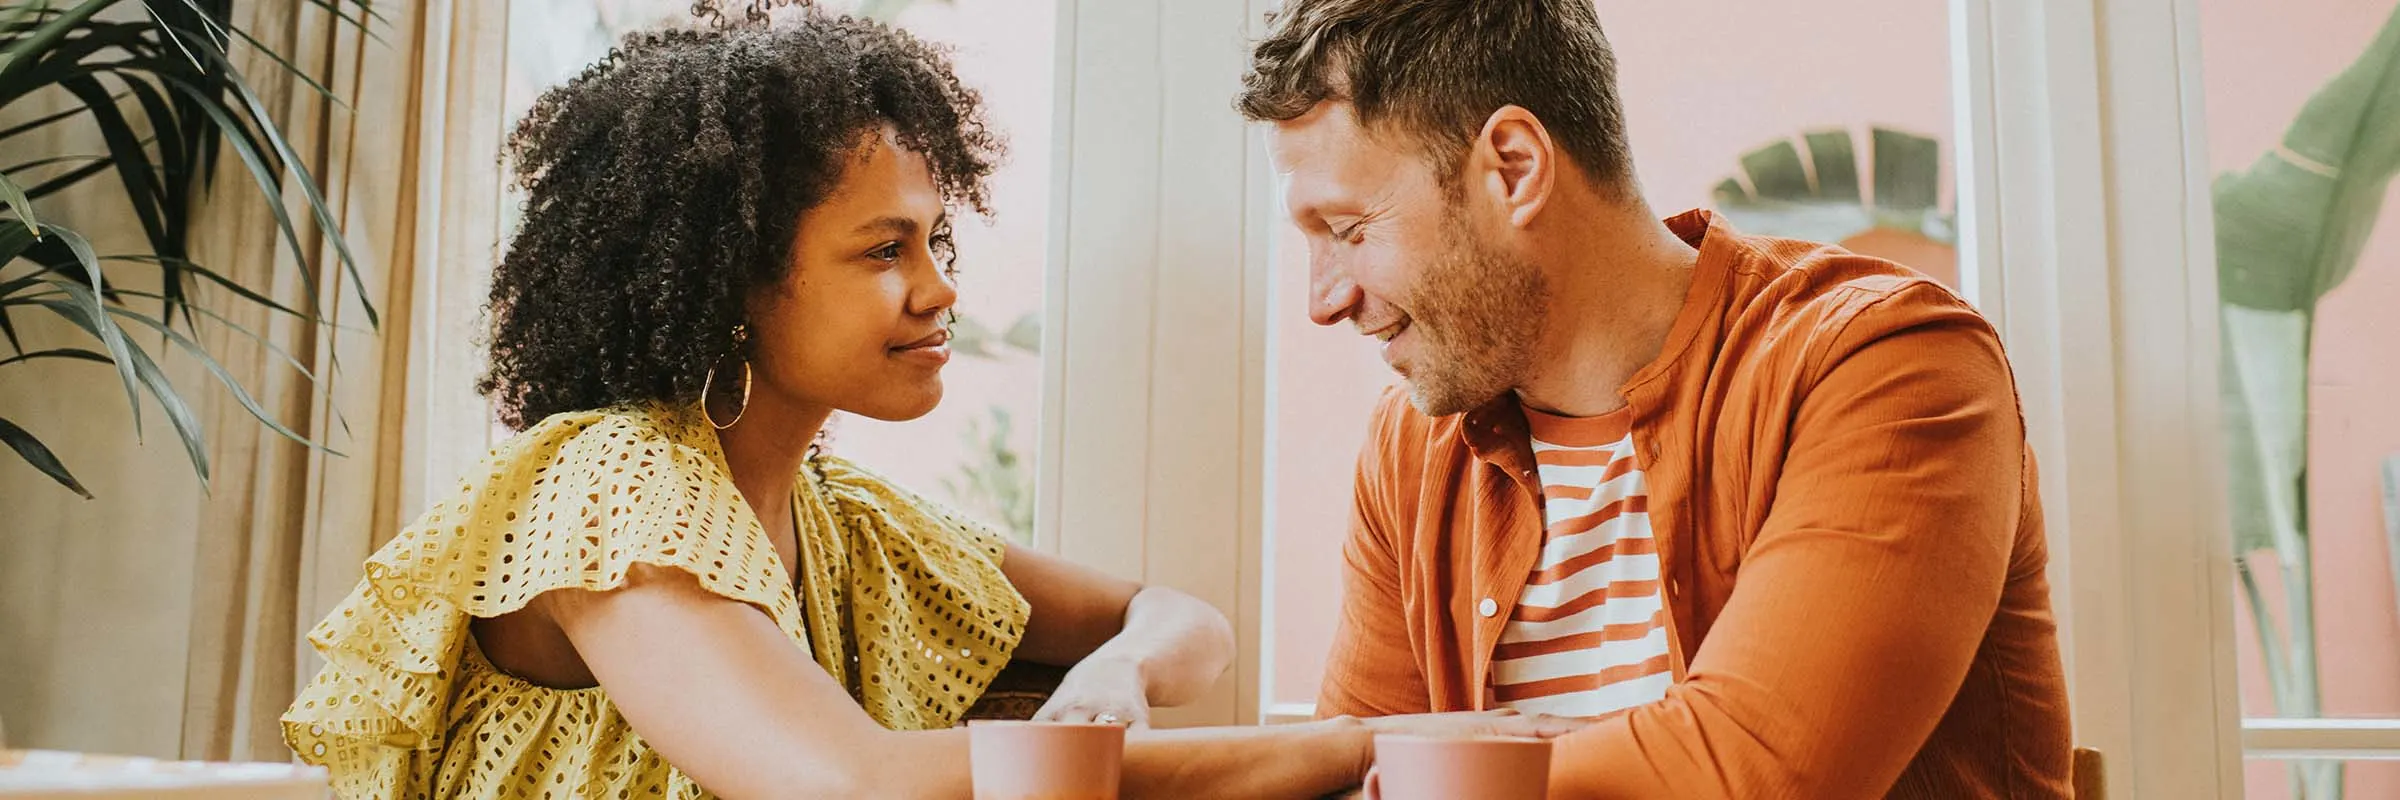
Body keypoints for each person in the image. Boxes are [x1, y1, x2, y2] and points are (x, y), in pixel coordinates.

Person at [282, 13, 1569, 800]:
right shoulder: (612, 483)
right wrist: (1369, 749)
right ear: (734, 277)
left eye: (938, 239)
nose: (938, 288)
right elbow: (855, 779)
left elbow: (1182, 619)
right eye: (883, 249)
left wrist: (1118, 669)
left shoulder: (849, 524)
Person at [1238, 1, 2075, 797]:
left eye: (1348, 231)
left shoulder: (1885, 365)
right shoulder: (1413, 448)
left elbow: (1752, 775)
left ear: (1514, 169)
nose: (1324, 300)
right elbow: (1340, 774)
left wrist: (1427, 775)